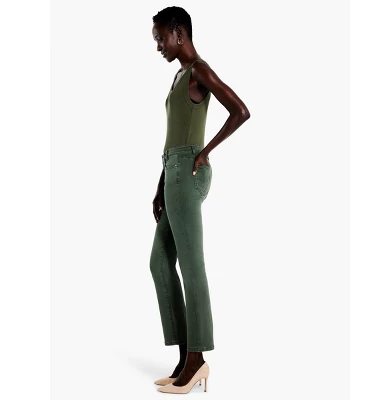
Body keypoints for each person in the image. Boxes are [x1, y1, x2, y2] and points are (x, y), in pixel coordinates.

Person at [150, 6, 250, 394]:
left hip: (188, 171)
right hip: (172, 173)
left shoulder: (198, 70)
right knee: (160, 261)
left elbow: (240, 111)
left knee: (192, 266)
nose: (158, 46)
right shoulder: (178, 76)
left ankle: (197, 360)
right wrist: (160, 184)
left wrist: (205, 151)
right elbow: (173, 136)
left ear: (179, 33)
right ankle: (184, 358)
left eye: (161, 38)